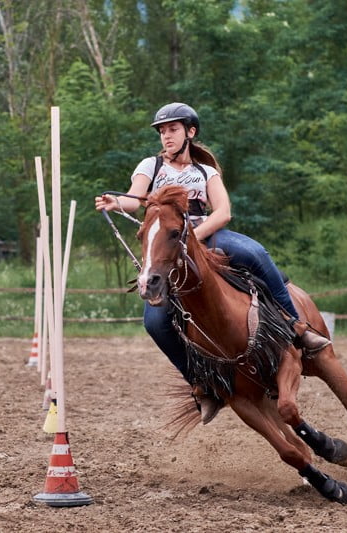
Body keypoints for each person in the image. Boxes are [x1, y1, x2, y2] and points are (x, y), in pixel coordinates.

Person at [94, 102, 331, 424]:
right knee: (154, 322)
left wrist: (194, 236)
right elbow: (134, 199)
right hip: (169, 245)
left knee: (257, 254)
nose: (166, 136)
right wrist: (116, 202)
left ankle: (296, 328)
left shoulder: (206, 172)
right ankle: (202, 384)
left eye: (173, 129)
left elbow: (223, 212)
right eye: (162, 131)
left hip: (206, 235)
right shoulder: (150, 166)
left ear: (190, 132)